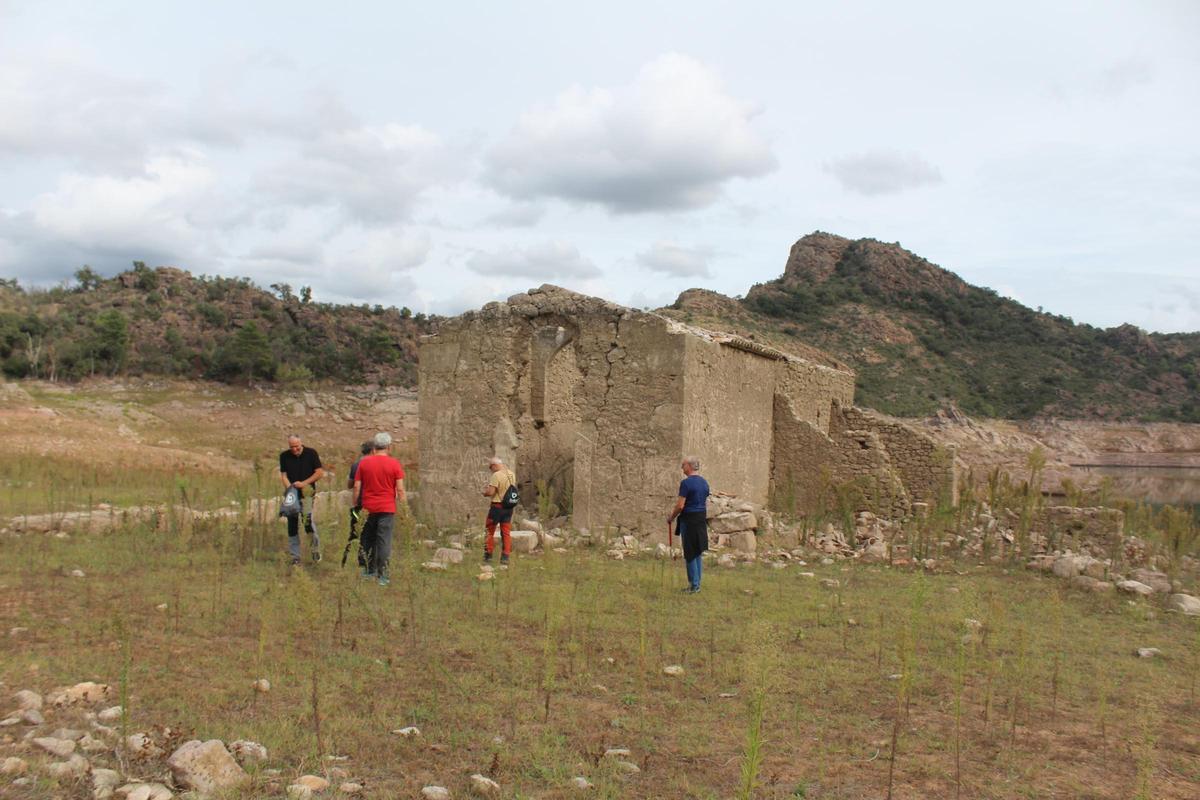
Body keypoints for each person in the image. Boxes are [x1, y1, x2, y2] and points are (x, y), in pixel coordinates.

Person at [353, 431, 407, 586]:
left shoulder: (364, 463)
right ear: (389, 447)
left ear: (374, 446)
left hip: (368, 507)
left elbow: (357, 487)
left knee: (367, 539)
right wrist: (404, 509)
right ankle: (383, 576)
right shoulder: (395, 464)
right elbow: (400, 490)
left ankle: (368, 571)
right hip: (387, 508)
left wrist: (356, 503)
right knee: (384, 541)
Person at [279, 434, 324, 565]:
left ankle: (315, 550)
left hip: (307, 494)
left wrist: (304, 483)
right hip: (292, 495)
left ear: (301, 443)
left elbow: (319, 473)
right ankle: (295, 557)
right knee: (292, 524)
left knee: (307, 522)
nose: (294, 449)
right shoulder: (284, 456)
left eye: (297, 446)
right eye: (291, 447)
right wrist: (290, 489)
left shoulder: (311, 453)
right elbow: (284, 475)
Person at [668, 456, 709, 593]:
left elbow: (680, 505)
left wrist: (671, 517)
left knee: (690, 552)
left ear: (689, 466)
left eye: (683, 464)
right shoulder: (704, 482)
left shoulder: (686, 483)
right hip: (701, 518)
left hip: (689, 519)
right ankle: (697, 583)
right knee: (697, 551)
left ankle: (694, 585)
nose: (682, 467)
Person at [342, 441, 374, 568]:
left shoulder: (356, 465)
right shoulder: (374, 464)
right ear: (373, 450)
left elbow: (350, 485)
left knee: (356, 534)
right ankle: (368, 563)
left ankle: (347, 561)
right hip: (372, 503)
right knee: (370, 535)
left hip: (359, 504)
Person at [482, 456, 516, 564]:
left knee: (489, 531)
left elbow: (491, 492)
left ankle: (488, 555)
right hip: (508, 507)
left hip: (497, 507)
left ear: (494, 465)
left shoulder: (496, 475)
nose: (490, 470)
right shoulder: (511, 474)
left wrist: (484, 492)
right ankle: (505, 557)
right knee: (506, 532)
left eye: (490, 467)